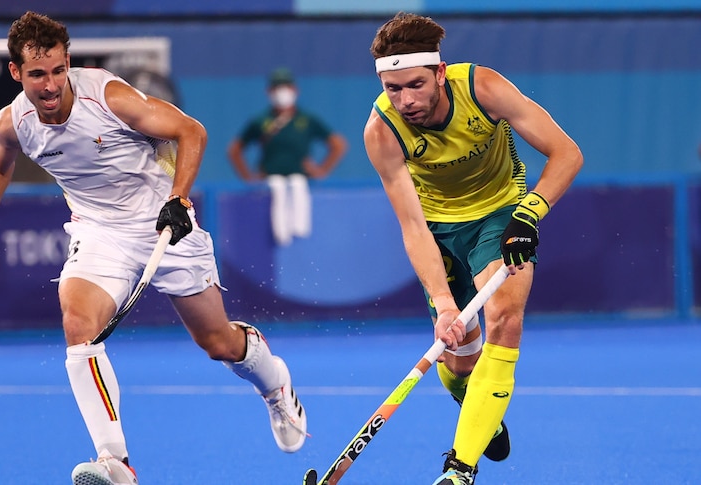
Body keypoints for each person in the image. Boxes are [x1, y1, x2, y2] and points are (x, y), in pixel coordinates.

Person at [0, 11, 307, 485]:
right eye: (36, 75)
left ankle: (275, 385)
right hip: (98, 230)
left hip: (162, 221)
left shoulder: (107, 96)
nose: (49, 86)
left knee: (217, 343)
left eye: (56, 71)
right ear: (16, 73)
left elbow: (191, 131)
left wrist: (177, 197)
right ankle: (115, 462)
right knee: (77, 322)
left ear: (68, 62)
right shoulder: (13, 123)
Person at [364, 13, 583, 485]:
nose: (405, 100)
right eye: (392, 88)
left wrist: (531, 213)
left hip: (501, 213)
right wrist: (444, 304)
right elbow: (412, 225)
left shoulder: (483, 88)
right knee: (459, 359)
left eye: (415, 85)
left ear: (440, 73)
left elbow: (567, 152)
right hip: (437, 230)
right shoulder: (381, 131)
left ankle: (459, 469)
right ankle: (478, 404)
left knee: (504, 318)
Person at [227, 67, 347, 246]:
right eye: (277, 88)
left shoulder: (306, 119)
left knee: (297, 184)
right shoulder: (261, 120)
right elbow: (235, 149)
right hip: (270, 178)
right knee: (278, 187)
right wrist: (248, 178)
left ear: (295, 90)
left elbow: (338, 144)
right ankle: (280, 235)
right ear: (269, 92)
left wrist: (321, 170)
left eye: (286, 87)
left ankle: (299, 230)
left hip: (300, 177)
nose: (282, 93)